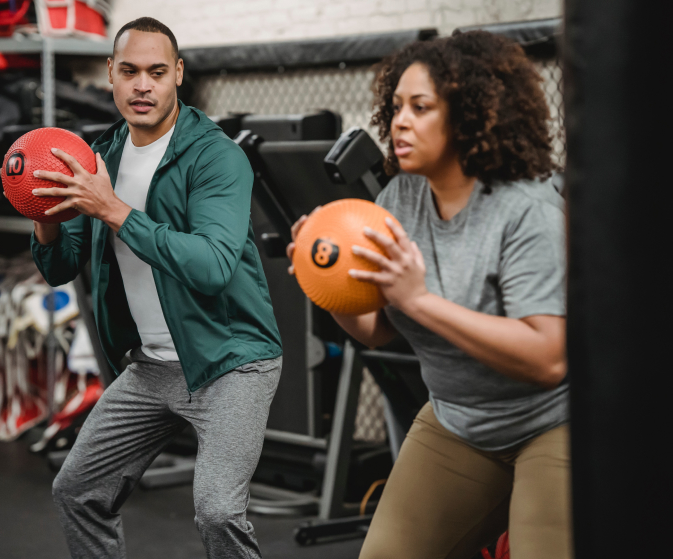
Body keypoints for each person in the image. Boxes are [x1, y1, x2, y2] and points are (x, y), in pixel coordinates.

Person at [288, 31, 570, 559]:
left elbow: (549, 358)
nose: (399, 121)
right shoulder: (402, 199)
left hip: (553, 423)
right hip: (458, 419)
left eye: (420, 107)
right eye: (396, 106)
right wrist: (324, 281)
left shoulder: (527, 212)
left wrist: (419, 301)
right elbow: (374, 330)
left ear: (469, 115)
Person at [29, 17, 282, 559]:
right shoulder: (99, 160)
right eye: (130, 71)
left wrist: (115, 211)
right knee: (76, 491)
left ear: (178, 76)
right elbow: (59, 267)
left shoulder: (216, 156)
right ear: (111, 76)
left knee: (217, 510)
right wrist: (43, 213)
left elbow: (213, 265)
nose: (143, 85)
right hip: (150, 367)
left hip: (231, 362)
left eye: (156, 72)